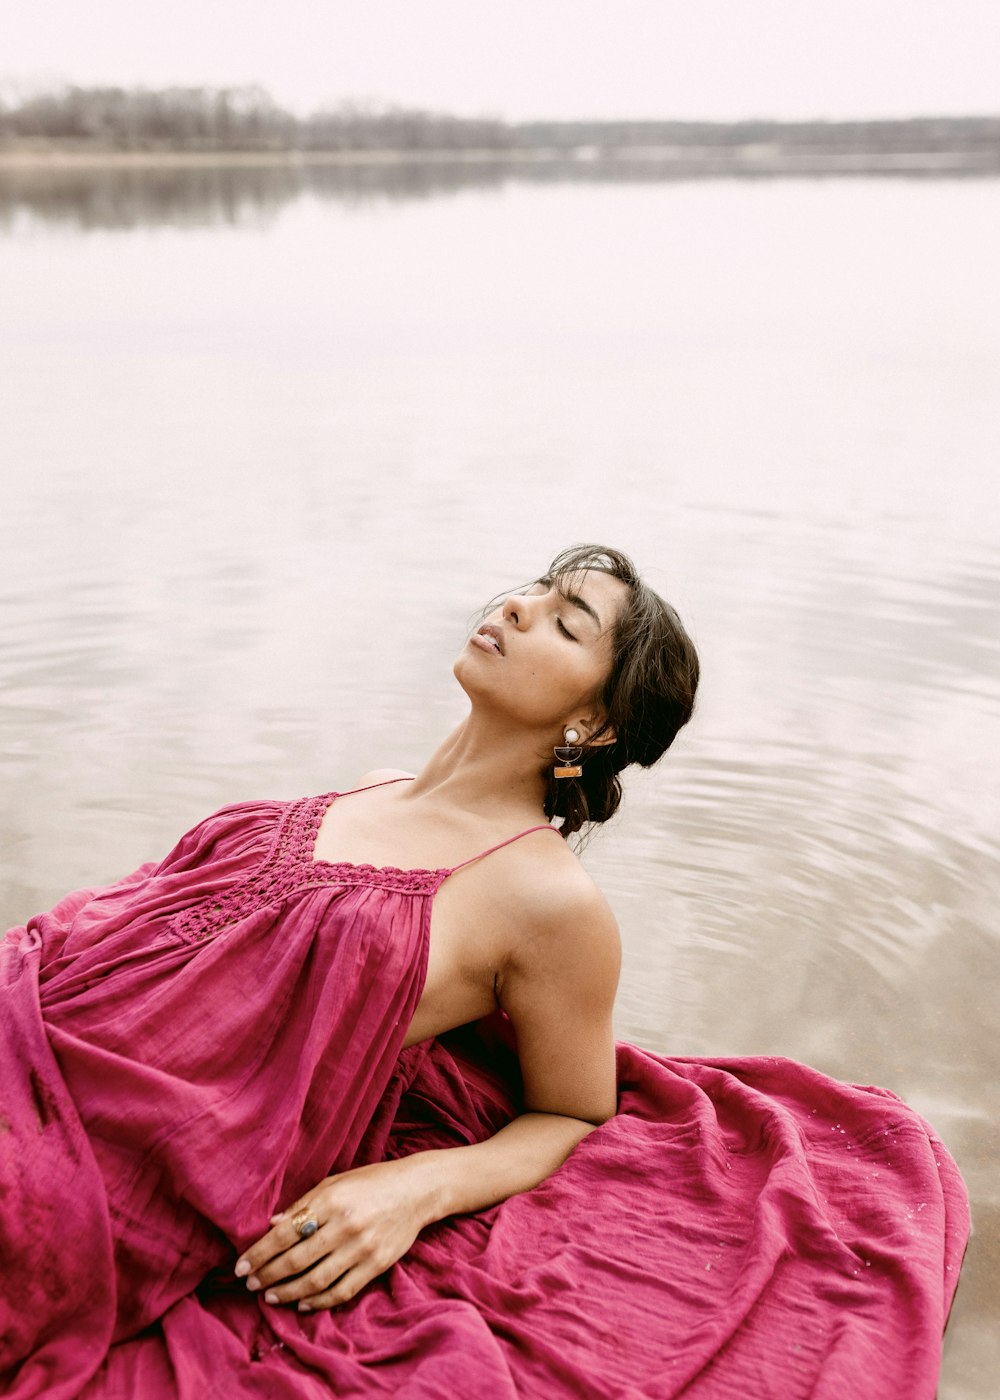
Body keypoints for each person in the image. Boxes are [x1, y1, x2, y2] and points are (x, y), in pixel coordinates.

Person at [0, 544, 967, 1400]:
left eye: (565, 620)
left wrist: (414, 1187)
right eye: (534, 591)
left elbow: (575, 1111)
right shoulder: (373, 784)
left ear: (594, 717)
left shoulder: (546, 900)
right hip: (32, 1029)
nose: (515, 608)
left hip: (119, 1163)